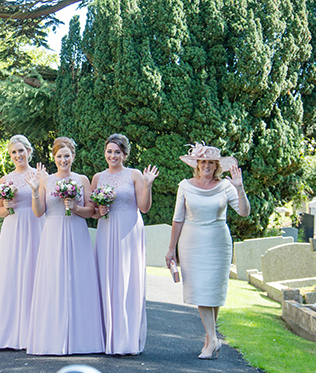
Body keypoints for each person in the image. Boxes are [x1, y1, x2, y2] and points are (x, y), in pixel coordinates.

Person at [165, 142, 250, 359]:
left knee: (213, 292)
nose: (206, 166)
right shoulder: (184, 185)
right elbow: (178, 218)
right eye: (203, 162)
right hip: (191, 242)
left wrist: (240, 189)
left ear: (216, 166)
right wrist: (170, 249)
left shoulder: (226, 186)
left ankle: (210, 339)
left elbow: (243, 212)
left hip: (218, 241)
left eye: (210, 163)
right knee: (201, 289)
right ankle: (213, 339)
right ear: (197, 164)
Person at [23, 137, 105, 355]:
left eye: (67, 155)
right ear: (54, 158)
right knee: (54, 281)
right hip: (52, 234)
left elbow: (93, 212)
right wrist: (34, 191)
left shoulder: (82, 179)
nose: (63, 160)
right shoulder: (46, 180)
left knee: (79, 280)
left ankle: (82, 340)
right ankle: (52, 339)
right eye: (59, 156)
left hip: (76, 232)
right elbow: (39, 212)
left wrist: (76, 208)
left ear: (73, 157)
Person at [91, 134, 159, 355]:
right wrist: (99, 211)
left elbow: (144, 207)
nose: (113, 156)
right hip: (107, 230)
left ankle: (126, 340)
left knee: (126, 280)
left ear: (125, 154)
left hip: (129, 231)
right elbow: (92, 211)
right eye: (109, 151)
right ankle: (105, 338)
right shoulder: (98, 177)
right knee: (106, 279)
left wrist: (147, 185)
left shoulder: (134, 175)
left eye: (117, 152)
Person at [0, 135, 45, 350]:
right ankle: (9, 332)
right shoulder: (4, 181)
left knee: (35, 273)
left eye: (21, 151)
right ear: (10, 156)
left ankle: (34, 331)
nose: (18, 155)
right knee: (12, 275)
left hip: (36, 226)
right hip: (13, 229)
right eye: (13, 152)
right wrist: (6, 205)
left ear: (29, 151)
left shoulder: (40, 175)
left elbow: (45, 203)